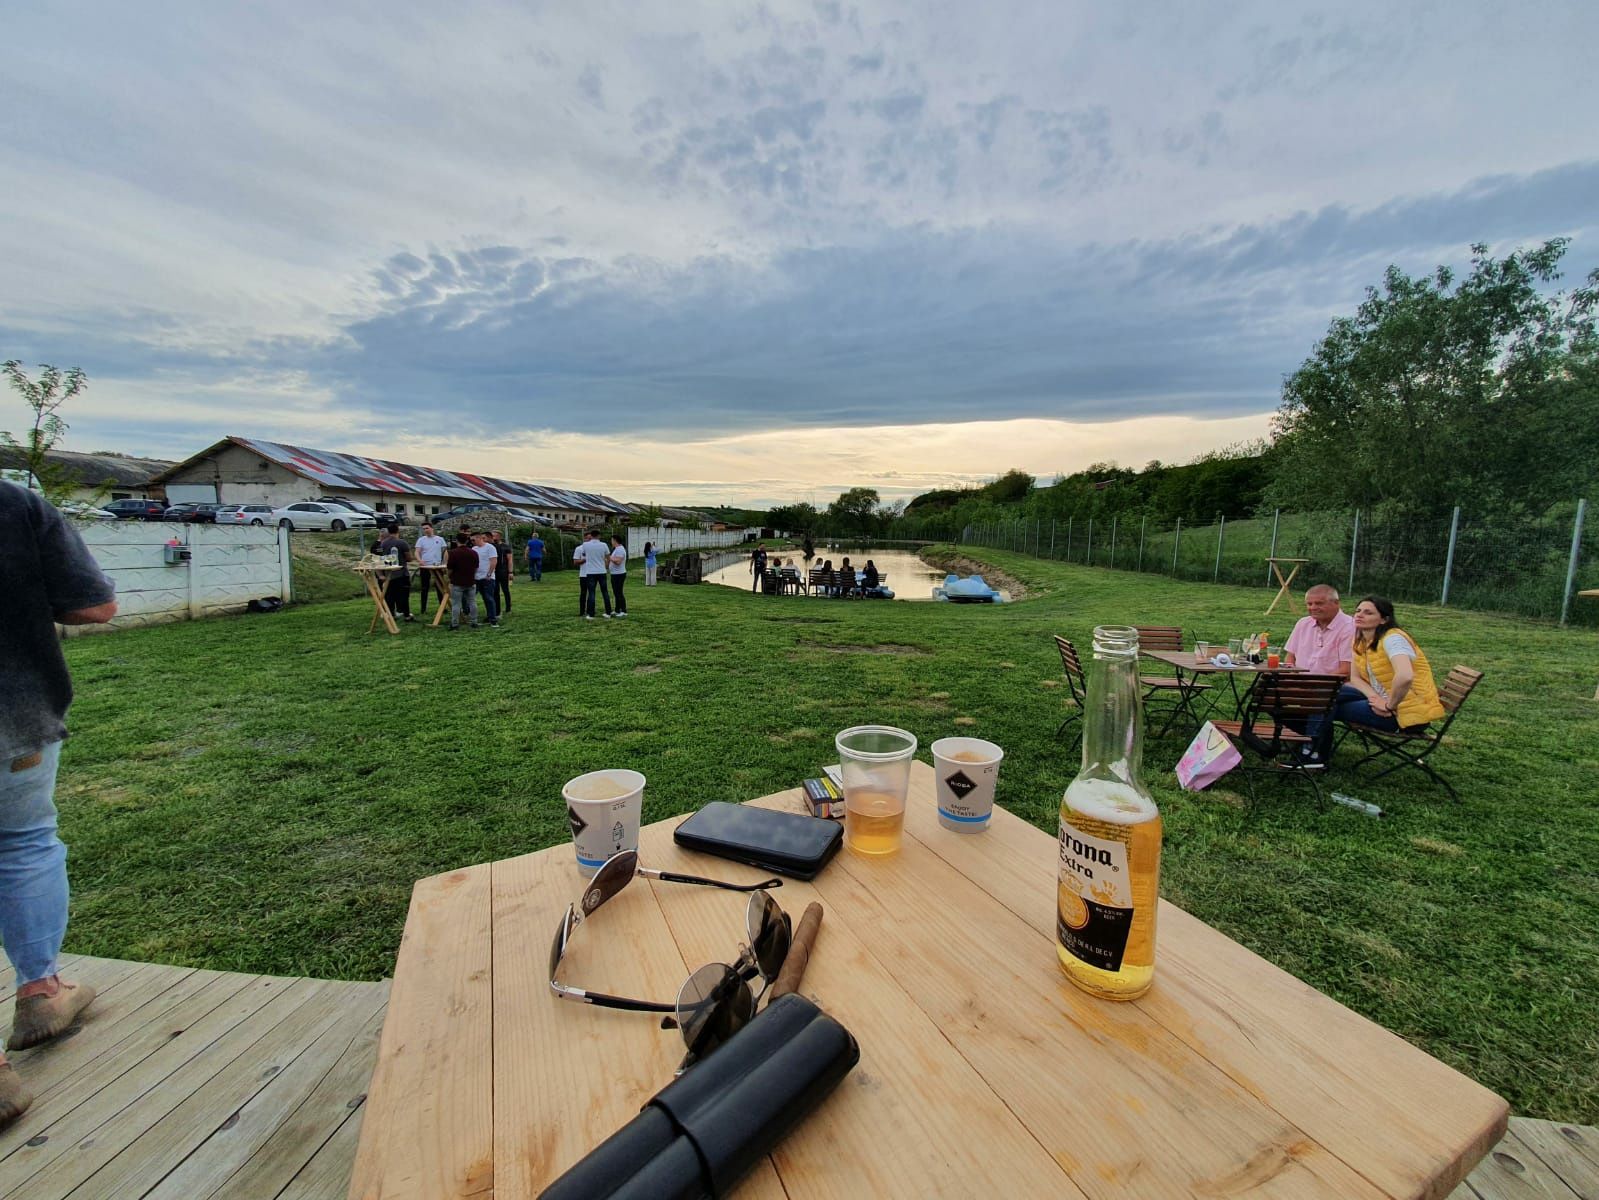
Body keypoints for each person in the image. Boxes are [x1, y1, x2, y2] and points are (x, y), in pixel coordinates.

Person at [0, 481, 118, 1127]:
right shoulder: (13, 503)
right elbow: (94, 606)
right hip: (12, 712)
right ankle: (42, 992)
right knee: (22, 844)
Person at [1310, 596, 1446, 761]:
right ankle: (1310, 750)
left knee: (1326, 703)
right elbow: (1355, 678)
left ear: (1384, 619)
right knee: (1325, 694)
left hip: (1404, 714)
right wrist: (1375, 698)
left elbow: (1405, 676)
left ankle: (1313, 755)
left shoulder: (1393, 639)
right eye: (1358, 611)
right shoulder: (1361, 640)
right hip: (1381, 701)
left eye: (1368, 613)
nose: (1359, 615)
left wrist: (1389, 705)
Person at [1284, 584, 1355, 676]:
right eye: (1309, 604)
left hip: (1331, 686)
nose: (1313, 608)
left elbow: (1346, 670)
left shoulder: (1350, 627)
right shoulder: (1303, 623)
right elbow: (1290, 656)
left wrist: (1311, 683)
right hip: (1298, 683)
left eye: (1319, 603)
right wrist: (1290, 677)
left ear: (1336, 603)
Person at [377, 523, 413, 623]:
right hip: (401, 573)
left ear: (388, 532)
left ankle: (391, 614)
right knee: (404, 595)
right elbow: (409, 558)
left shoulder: (383, 543)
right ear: (398, 531)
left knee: (390, 596)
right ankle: (407, 615)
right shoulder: (402, 543)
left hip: (389, 574)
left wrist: (381, 574)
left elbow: (381, 558)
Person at [573, 529, 611, 620]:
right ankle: (608, 612)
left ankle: (591, 614)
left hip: (590, 572)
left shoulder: (586, 545)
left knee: (591, 593)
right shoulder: (604, 545)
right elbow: (608, 557)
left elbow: (585, 554)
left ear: (592, 536)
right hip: (601, 571)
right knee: (605, 592)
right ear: (599, 536)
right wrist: (606, 566)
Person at [445, 532, 480, 629]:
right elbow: (476, 568)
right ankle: (474, 621)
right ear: (467, 540)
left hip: (457, 581)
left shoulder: (453, 553)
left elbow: (450, 568)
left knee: (456, 603)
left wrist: (448, 577)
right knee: (472, 602)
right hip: (471, 581)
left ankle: (455, 623)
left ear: (456, 541)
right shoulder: (474, 552)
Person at [413, 523, 447, 614]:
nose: (425, 530)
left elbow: (444, 552)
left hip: (437, 566)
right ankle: (423, 609)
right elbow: (417, 552)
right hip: (425, 566)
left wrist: (444, 563)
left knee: (440, 586)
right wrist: (420, 560)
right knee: (424, 587)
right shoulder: (421, 540)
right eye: (424, 529)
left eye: (427, 528)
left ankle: (443, 607)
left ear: (432, 528)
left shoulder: (440, 539)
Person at [471, 531, 500, 627]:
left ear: (479, 538)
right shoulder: (473, 549)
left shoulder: (490, 547)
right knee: (474, 598)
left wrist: (489, 574)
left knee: (489, 598)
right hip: (476, 577)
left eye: (473, 540)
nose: (472, 541)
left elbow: (493, 561)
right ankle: (480, 617)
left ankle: (493, 619)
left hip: (487, 577)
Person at [490, 530, 512, 614]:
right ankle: (497, 609)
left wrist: (510, 572)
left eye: (494, 535)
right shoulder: (491, 546)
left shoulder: (505, 547)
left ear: (499, 536)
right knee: (495, 591)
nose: (493, 537)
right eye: (492, 536)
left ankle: (508, 607)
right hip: (494, 571)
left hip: (503, 571)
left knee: (505, 590)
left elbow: (510, 559)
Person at [607, 535, 629, 617]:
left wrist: (609, 557)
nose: (611, 542)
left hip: (619, 574)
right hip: (615, 574)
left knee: (619, 593)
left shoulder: (620, 549)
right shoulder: (616, 549)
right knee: (616, 593)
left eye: (612, 540)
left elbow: (618, 561)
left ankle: (623, 610)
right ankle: (617, 609)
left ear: (615, 540)